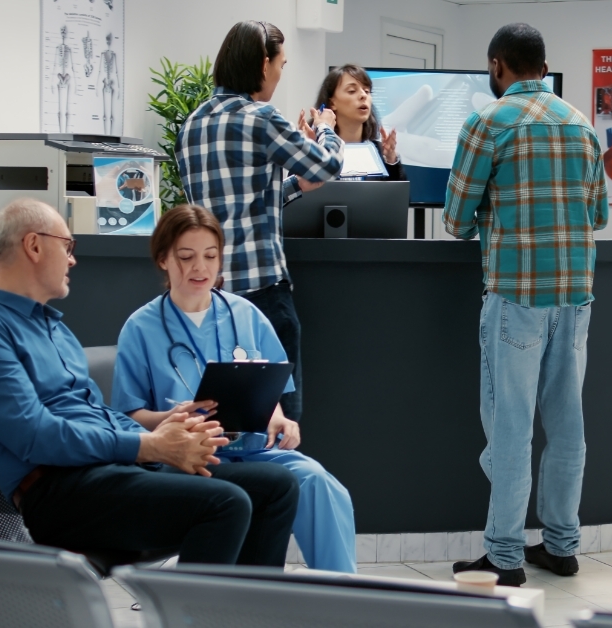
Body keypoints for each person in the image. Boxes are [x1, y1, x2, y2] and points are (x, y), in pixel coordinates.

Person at [0, 199, 300, 567]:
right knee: (226, 502)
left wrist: (169, 428)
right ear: (34, 246)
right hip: (59, 491)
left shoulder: (54, 328)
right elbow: (37, 436)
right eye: (67, 246)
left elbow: (98, 414)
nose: (72, 259)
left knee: (275, 487)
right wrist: (150, 446)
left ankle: (246, 614)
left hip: (107, 473)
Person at [444, 23, 609, 587]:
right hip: (576, 296)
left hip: (516, 293)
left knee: (511, 427)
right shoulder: (583, 126)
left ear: (498, 66)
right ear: (544, 64)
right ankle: (561, 546)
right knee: (567, 425)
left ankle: (505, 556)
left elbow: (455, 220)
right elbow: (600, 216)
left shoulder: (486, 123)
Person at [111, 205, 357, 573]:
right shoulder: (141, 327)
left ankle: (344, 600)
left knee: (321, 485)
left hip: (254, 449)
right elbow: (129, 416)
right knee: (261, 490)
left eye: (211, 256)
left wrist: (280, 420)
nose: (201, 268)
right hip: (189, 456)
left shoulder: (246, 314)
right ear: (163, 259)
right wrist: (171, 417)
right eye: (186, 256)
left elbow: (269, 389)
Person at [176, 21, 343, 423]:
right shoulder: (260, 117)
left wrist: (292, 187)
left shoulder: (192, 125)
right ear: (263, 63)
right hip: (263, 292)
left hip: (210, 292)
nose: (280, 75)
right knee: (280, 419)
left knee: (225, 419)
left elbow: (234, 199)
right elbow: (328, 166)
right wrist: (326, 131)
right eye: (281, 64)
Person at [313, 64, 406, 181]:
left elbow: (399, 197)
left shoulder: (379, 152)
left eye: (367, 91)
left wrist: (391, 160)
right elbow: (295, 193)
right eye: (352, 91)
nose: (363, 95)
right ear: (332, 103)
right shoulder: (318, 150)